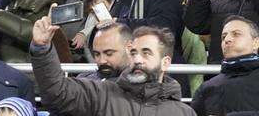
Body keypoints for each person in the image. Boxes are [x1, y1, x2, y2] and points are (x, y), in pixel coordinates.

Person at [30, 20, 196, 116]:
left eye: (146, 53)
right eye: (133, 52)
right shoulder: (101, 93)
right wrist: (42, 49)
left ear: (165, 62)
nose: (137, 59)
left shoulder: (183, 113)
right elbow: (57, 92)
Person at [190, 16, 259, 116]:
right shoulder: (207, 87)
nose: (227, 39)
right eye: (223, 37)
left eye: (236, 34)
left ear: (255, 43)